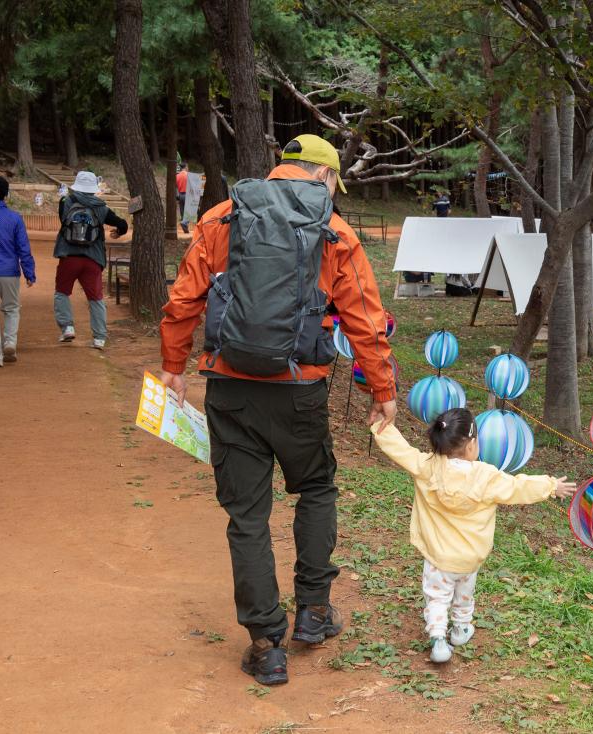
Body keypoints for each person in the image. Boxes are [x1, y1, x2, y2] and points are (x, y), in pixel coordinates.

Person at [158, 133, 397, 687]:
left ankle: (267, 643)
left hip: (230, 389)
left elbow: (184, 299)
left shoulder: (222, 216)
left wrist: (174, 363)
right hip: (299, 390)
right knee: (315, 488)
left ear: (281, 170)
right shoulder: (335, 231)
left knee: (247, 515)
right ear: (326, 177)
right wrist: (381, 389)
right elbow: (364, 316)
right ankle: (313, 612)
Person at [371, 408, 576, 663]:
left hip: (438, 557)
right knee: (464, 594)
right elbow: (517, 486)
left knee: (437, 598)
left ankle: (438, 640)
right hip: (469, 559)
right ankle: (461, 629)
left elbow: (401, 450)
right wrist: (550, 485)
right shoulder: (486, 477)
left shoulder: (428, 467)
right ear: (471, 445)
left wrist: (382, 425)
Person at [54, 171, 128, 349]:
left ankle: (67, 328)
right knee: (95, 298)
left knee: (62, 292)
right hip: (93, 258)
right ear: (93, 187)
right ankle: (99, 337)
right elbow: (123, 224)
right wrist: (118, 233)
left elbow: (63, 223)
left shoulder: (65, 202)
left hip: (68, 256)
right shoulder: (101, 207)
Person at [0, 175, 35, 367]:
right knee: (11, 309)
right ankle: (10, 343)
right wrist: (29, 272)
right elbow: (23, 248)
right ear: (6, 194)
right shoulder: (15, 218)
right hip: (9, 272)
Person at [175, 162, 189, 234]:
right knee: (189, 212)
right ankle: (185, 223)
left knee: (182, 212)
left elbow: (175, 187)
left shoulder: (177, 176)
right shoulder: (188, 175)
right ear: (186, 166)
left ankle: (185, 229)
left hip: (180, 195)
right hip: (188, 195)